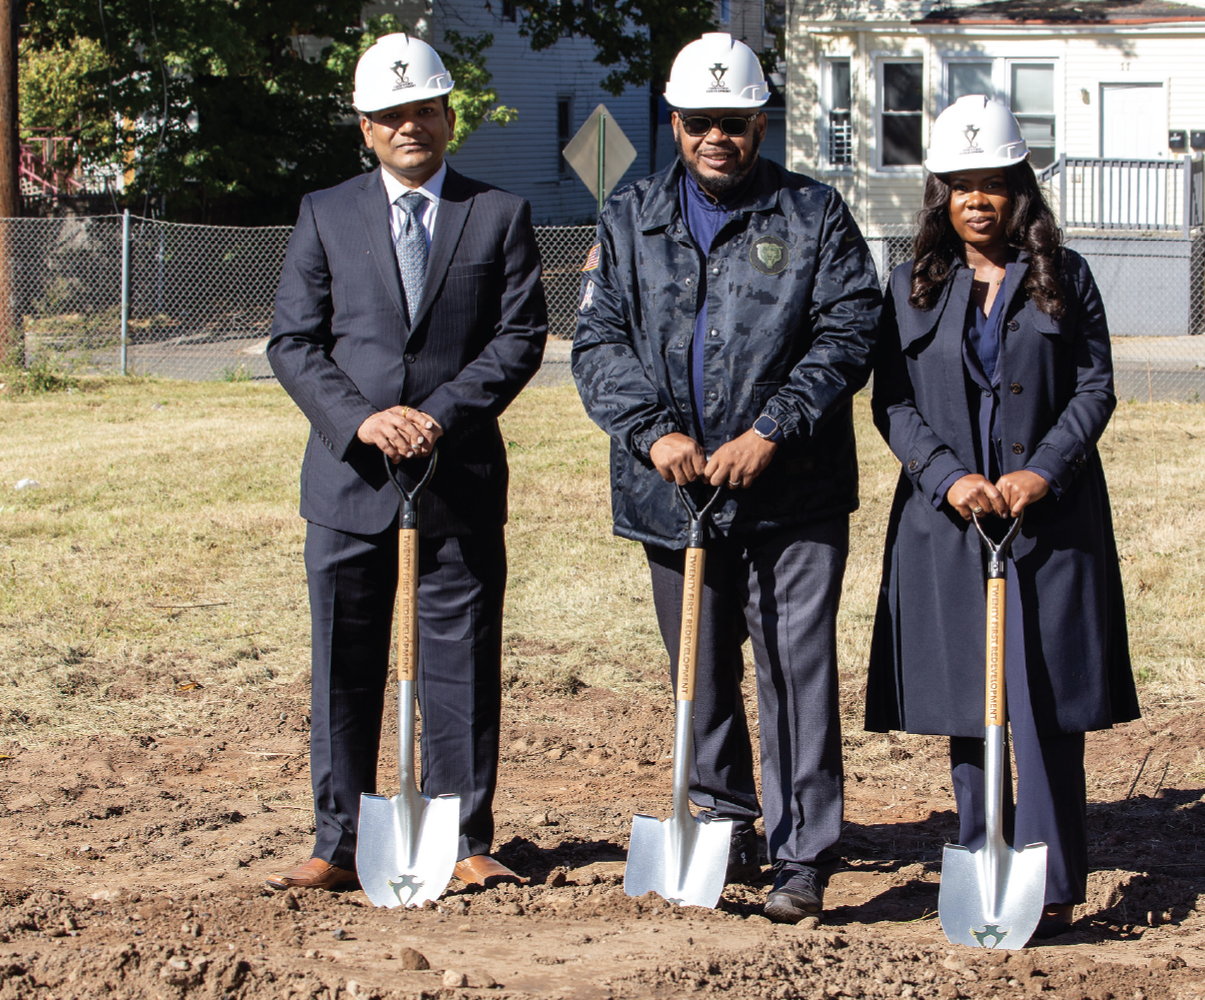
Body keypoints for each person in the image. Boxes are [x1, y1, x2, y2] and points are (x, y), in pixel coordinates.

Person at [570, 32, 882, 922]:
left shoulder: (813, 215)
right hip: (673, 495)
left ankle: (802, 851)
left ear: (760, 126)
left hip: (793, 495)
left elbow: (851, 330)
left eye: (735, 123)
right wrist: (652, 433)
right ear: (674, 123)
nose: (718, 137)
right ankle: (724, 821)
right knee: (700, 673)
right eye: (701, 121)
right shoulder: (628, 218)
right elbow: (596, 342)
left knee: (795, 672)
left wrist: (771, 430)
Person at [265, 33, 547, 893]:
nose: (408, 127)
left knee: (462, 664)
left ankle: (462, 839)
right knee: (343, 664)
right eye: (390, 115)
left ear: (449, 118)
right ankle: (339, 842)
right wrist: (363, 421)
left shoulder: (498, 213)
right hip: (348, 483)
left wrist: (438, 416)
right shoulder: (325, 212)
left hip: (457, 480)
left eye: (423, 110)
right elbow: (293, 342)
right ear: (366, 128)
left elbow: (519, 338)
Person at [865, 94, 1139, 938]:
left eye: (994, 184)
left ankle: (1050, 881)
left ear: (1021, 190)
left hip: (1047, 524)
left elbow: (1095, 387)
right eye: (961, 186)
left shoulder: (1067, 277)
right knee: (969, 700)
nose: (977, 201)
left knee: (1044, 701)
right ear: (940, 196)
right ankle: (984, 854)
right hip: (950, 524)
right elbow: (892, 402)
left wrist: (1041, 472)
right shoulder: (911, 285)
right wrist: (947, 477)